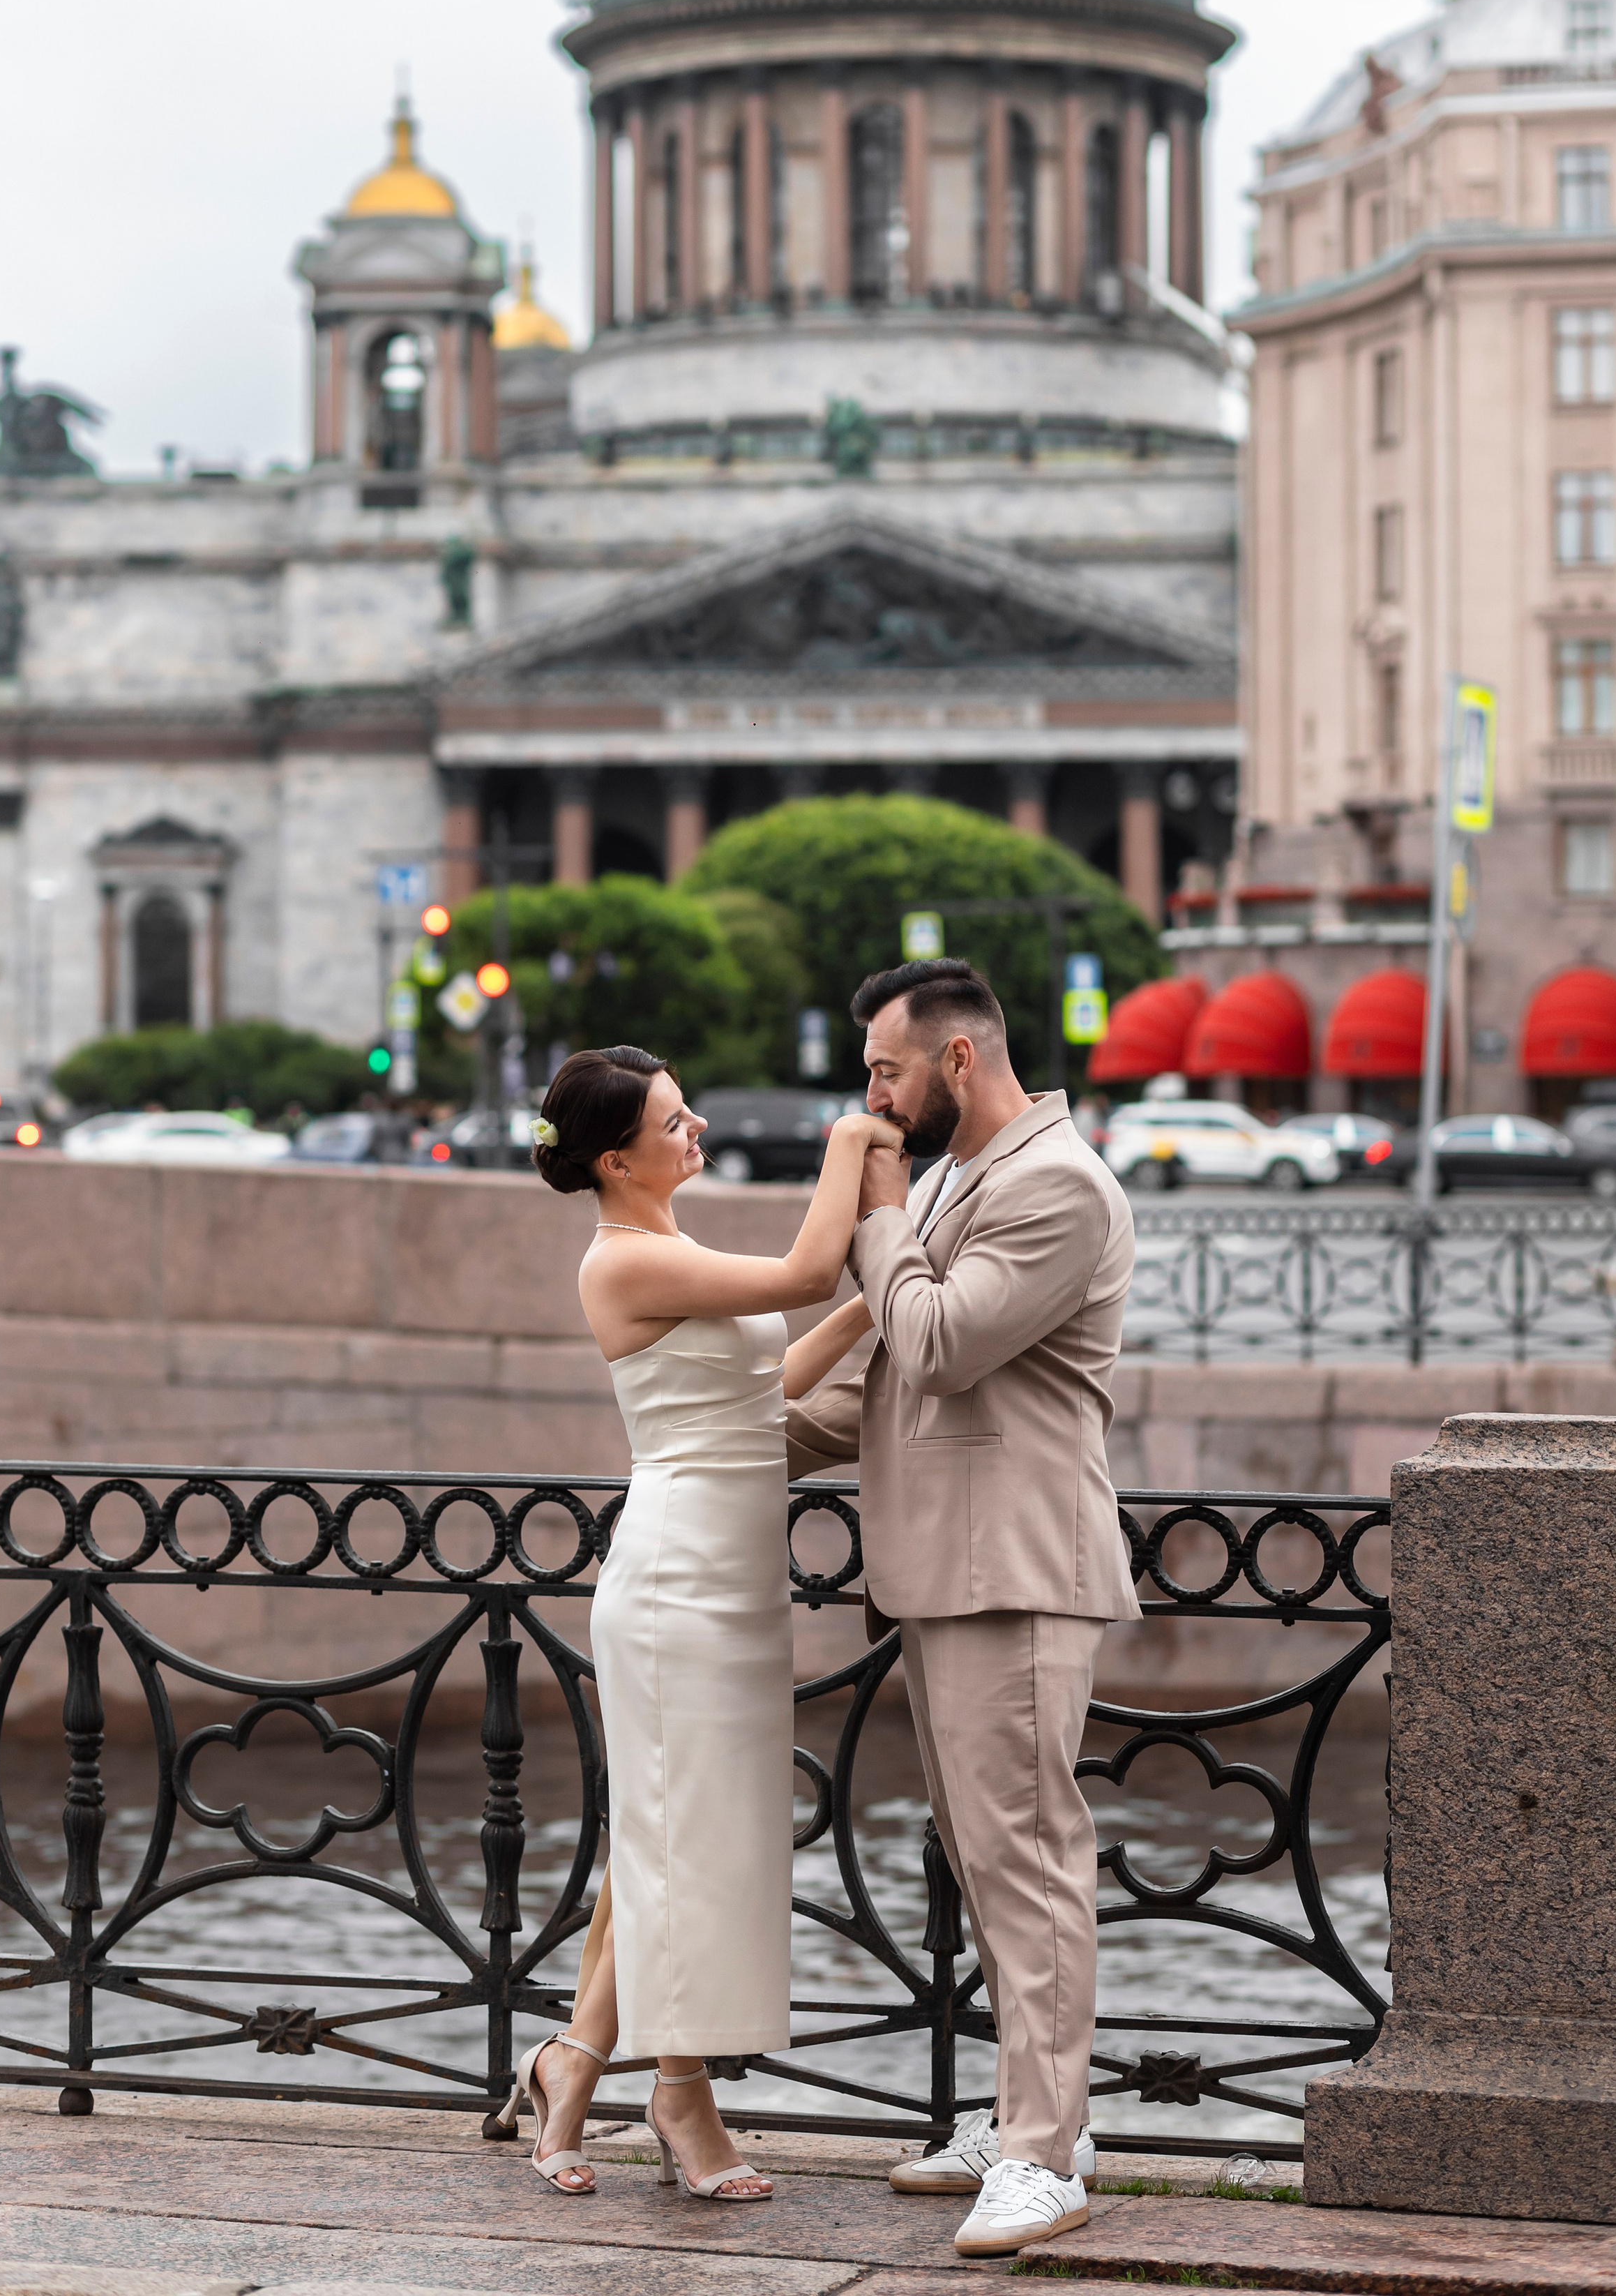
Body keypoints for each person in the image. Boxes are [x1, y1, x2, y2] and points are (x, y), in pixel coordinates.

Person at [496, 1044, 901, 2203]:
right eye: (674, 1123)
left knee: (678, 1837)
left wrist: (878, 1304)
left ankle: (570, 2065)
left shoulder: (669, 1246)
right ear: (615, 1161)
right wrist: (849, 1141)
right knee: (690, 1841)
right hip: (676, 1582)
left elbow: (765, 1388)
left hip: (734, 1579)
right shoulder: (622, 1260)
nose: (698, 1131)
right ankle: (682, 2096)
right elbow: (804, 1270)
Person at [785, 959, 1139, 2262]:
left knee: (1031, 1861)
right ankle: (1031, 2120)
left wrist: (879, 1215)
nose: (870, 1098)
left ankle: (1045, 2156)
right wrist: (712, 1443)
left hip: (1017, 1568)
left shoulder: (1058, 1184)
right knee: (990, 1864)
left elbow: (936, 1342)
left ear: (958, 1059)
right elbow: (880, 1380)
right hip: (947, 1568)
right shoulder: (951, 1181)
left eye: (886, 1070)